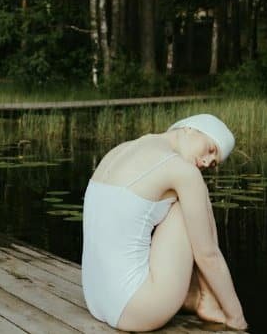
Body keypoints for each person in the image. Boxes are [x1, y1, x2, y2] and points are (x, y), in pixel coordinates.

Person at [81, 114, 249, 331]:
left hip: (94, 299)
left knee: (185, 200)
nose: (207, 162)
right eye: (210, 149)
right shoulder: (182, 171)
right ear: (190, 128)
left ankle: (198, 297)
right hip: (137, 310)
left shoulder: (122, 149)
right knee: (194, 201)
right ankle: (206, 299)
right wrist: (237, 317)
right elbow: (208, 255)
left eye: (213, 162)